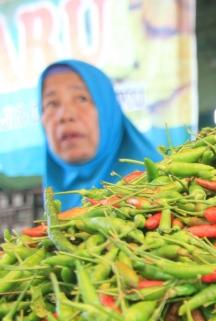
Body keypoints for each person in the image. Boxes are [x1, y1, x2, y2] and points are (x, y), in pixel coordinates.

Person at [39, 60, 161, 210]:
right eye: (52, 103)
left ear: (107, 109)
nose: (65, 115)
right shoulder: (54, 192)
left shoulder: (158, 179)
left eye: (81, 98)